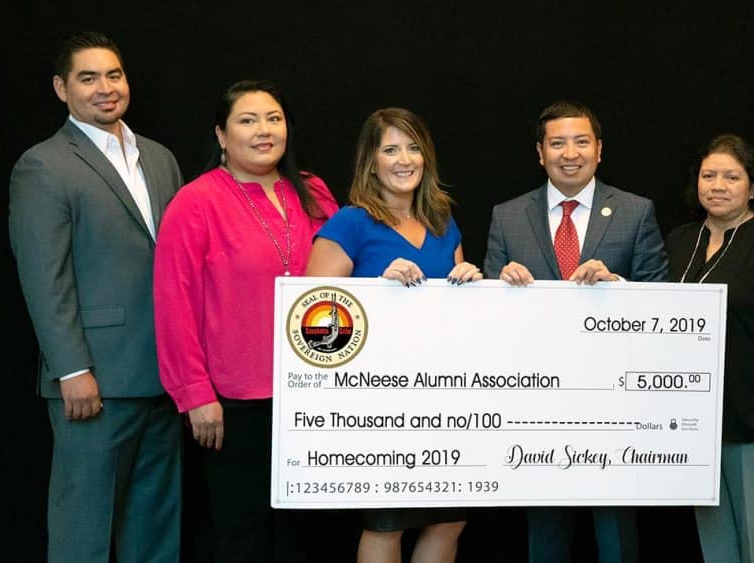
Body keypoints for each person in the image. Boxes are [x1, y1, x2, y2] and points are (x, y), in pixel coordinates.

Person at [8, 31, 183, 563]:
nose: (106, 88)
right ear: (62, 88)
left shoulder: (160, 158)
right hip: (94, 381)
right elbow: (44, 277)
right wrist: (70, 370)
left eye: (114, 75)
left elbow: (176, 265)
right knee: (83, 530)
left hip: (165, 376)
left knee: (155, 529)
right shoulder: (43, 165)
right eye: (88, 78)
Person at [153, 79, 339, 562]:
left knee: (303, 534)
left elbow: (348, 277)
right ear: (221, 134)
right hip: (236, 398)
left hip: (314, 390)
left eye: (273, 119)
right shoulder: (196, 202)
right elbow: (174, 302)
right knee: (244, 534)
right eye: (248, 120)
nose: (263, 131)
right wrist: (195, 393)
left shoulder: (314, 192)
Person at [483, 100, 668, 563]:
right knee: (545, 535)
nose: (571, 153)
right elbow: (484, 315)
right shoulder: (508, 216)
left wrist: (618, 286)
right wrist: (500, 287)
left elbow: (663, 303)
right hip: (535, 403)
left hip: (615, 404)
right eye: (558, 142)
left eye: (582, 141)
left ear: (599, 150)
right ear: (540, 152)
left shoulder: (635, 211)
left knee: (615, 536)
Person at [305, 107, 478, 563]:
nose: (405, 159)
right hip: (378, 402)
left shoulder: (444, 222)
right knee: (388, 522)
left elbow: (457, 314)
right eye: (391, 149)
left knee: (449, 518)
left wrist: (471, 285)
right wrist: (375, 288)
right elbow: (310, 322)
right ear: (371, 161)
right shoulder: (350, 223)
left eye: (414, 147)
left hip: (444, 398)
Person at [665, 134, 754, 562]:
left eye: (732, 176)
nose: (718, 185)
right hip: (695, 428)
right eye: (709, 175)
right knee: (716, 548)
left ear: (752, 187)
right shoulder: (678, 242)